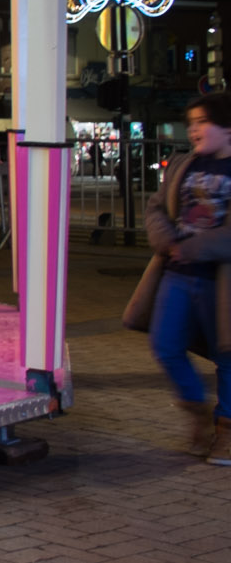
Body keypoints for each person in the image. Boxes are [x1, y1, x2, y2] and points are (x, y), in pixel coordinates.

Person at [132, 92, 231, 465]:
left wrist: (196, 247)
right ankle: (198, 414)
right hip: (176, 273)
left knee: (228, 357)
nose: (193, 130)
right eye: (190, 123)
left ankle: (226, 431)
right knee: (165, 344)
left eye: (202, 122)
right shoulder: (184, 165)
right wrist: (165, 239)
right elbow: (157, 206)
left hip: (220, 281)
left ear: (227, 127)